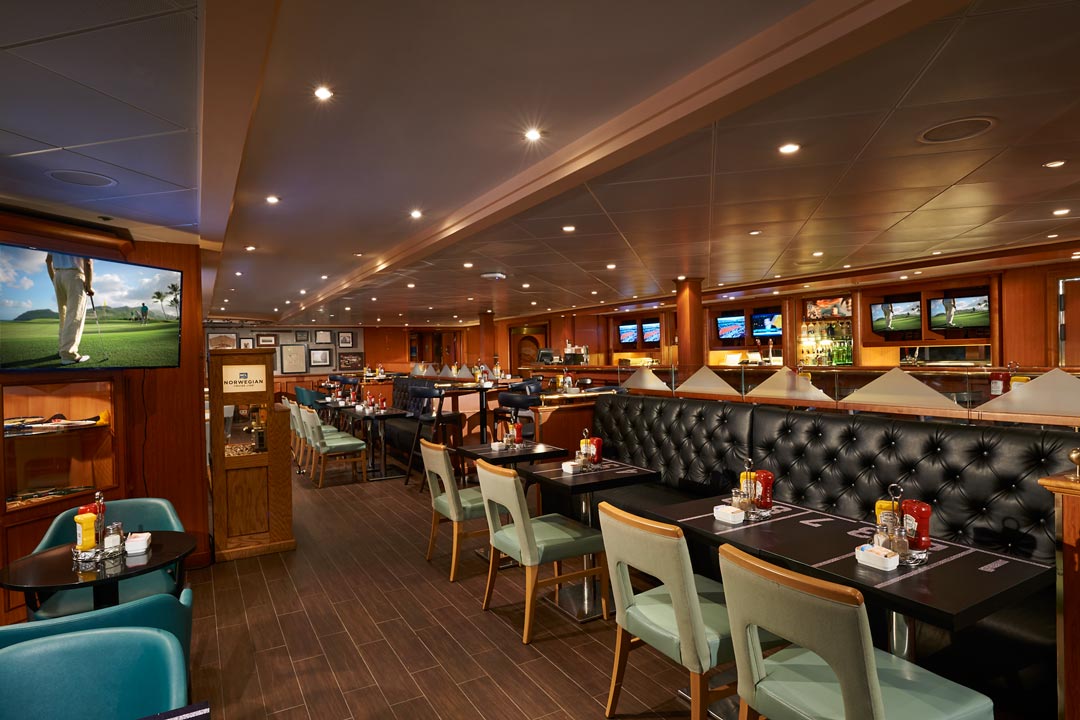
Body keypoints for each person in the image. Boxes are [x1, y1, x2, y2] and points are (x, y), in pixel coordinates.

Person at [45, 252, 93, 364]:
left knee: (64, 316)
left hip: (58, 276)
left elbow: (48, 261)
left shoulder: (54, 240)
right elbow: (88, 262)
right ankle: (68, 355)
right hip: (75, 276)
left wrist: (55, 280)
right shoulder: (82, 239)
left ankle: (62, 349)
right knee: (75, 315)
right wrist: (89, 286)